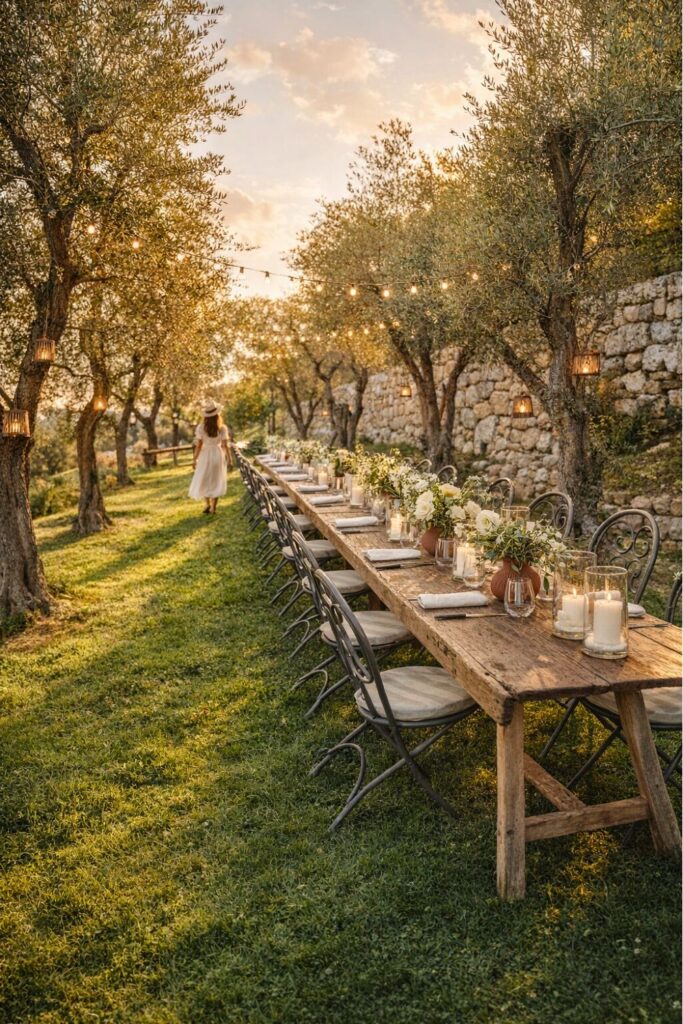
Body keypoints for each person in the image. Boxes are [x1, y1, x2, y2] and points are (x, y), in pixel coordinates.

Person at [188, 400, 229, 514]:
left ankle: (207, 504)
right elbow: (225, 445)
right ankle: (213, 507)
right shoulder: (222, 428)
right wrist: (229, 459)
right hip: (217, 453)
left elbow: (199, 445)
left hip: (205, 455)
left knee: (205, 479)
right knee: (216, 479)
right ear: (217, 414)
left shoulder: (201, 428)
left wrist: (194, 459)